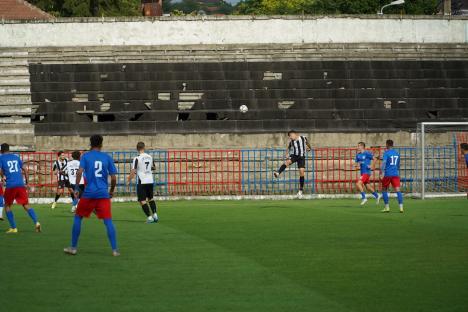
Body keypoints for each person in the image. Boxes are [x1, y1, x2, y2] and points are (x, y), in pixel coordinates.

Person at [64, 135, 119, 256]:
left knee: (78, 217)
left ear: (90, 143)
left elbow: (79, 172)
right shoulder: (107, 157)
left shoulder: (86, 156)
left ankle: (73, 248)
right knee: (108, 220)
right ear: (101, 144)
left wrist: (77, 188)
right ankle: (115, 250)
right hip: (103, 193)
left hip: (89, 193)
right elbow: (114, 178)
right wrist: (111, 191)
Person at [0, 143, 41, 233]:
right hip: (20, 184)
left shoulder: (1, 158)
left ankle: (14, 228)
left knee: (7, 206)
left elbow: (0, 170)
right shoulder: (16, 156)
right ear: (8, 149)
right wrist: (27, 182)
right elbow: (25, 169)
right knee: (26, 205)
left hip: (11, 185)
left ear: (1, 150)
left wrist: (3, 177)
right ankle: (36, 222)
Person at [127, 142, 159, 223]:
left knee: (142, 200)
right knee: (150, 198)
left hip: (142, 180)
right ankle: (155, 215)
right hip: (150, 180)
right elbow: (154, 167)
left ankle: (149, 217)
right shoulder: (149, 156)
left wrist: (129, 179)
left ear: (137, 149)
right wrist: (147, 169)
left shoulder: (137, 158)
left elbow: (133, 170)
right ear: (144, 147)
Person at [274, 130, 311, 197]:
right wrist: (287, 154)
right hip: (295, 155)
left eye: (290, 136)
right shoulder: (291, 142)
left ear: (295, 134)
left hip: (302, 157)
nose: (290, 137)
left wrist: (309, 148)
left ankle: (300, 190)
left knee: (301, 172)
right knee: (287, 162)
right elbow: (288, 148)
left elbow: (308, 144)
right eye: (289, 136)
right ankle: (278, 173)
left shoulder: (303, 138)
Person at [380, 140, 403, 213]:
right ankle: (401, 208)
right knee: (398, 190)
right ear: (392, 145)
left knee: (384, 189)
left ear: (387, 145)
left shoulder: (386, 153)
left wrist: (381, 172)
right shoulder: (397, 153)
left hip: (387, 174)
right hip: (395, 174)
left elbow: (383, 163)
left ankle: (387, 207)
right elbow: (398, 165)